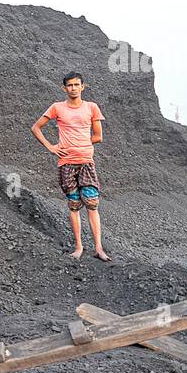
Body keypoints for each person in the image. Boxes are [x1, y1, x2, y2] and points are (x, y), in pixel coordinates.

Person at [31, 73, 109, 261]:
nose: (73, 88)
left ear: (83, 87)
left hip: (86, 162)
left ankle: (99, 248)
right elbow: (36, 127)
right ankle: (79, 247)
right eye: (69, 85)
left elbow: (98, 136)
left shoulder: (92, 108)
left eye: (76, 85)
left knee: (92, 204)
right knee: (74, 205)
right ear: (64, 88)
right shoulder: (57, 108)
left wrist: (80, 142)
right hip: (66, 163)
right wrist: (51, 147)